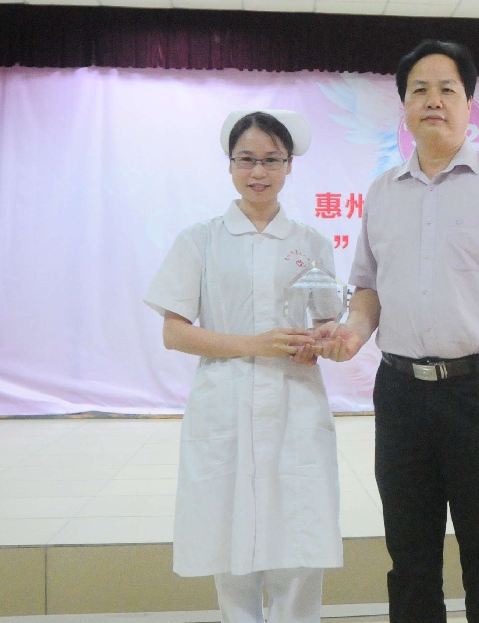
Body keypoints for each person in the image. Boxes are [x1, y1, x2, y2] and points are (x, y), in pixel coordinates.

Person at [317, 40, 479, 623]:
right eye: (419, 90)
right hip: (401, 393)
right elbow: (368, 289)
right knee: (409, 558)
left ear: (469, 103)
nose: (433, 100)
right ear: (403, 106)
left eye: (447, 89)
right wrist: (351, 334)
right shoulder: (382, 191)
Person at [144, 109, 341, 623]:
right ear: (229, 164)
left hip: (296, 399)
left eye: (272, 160)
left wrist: (318, 342)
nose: (259, 172)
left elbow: (327, 320)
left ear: (289, 165)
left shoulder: (311, 244)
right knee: (229, 534)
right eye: (246, 159)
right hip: (225, 400)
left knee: (299, 533)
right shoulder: (200, 240)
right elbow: (174, 332)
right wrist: (254, 344)